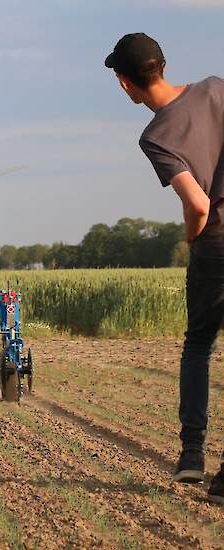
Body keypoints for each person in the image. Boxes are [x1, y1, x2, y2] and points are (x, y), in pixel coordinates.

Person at [106, 32, 224, 502]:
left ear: (124, 83)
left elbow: (196, 203)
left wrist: (192, 237)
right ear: (163, 63)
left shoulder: (155, 136)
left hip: (214, 247)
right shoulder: (217, 88)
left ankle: (192, 455)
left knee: (198, 346)